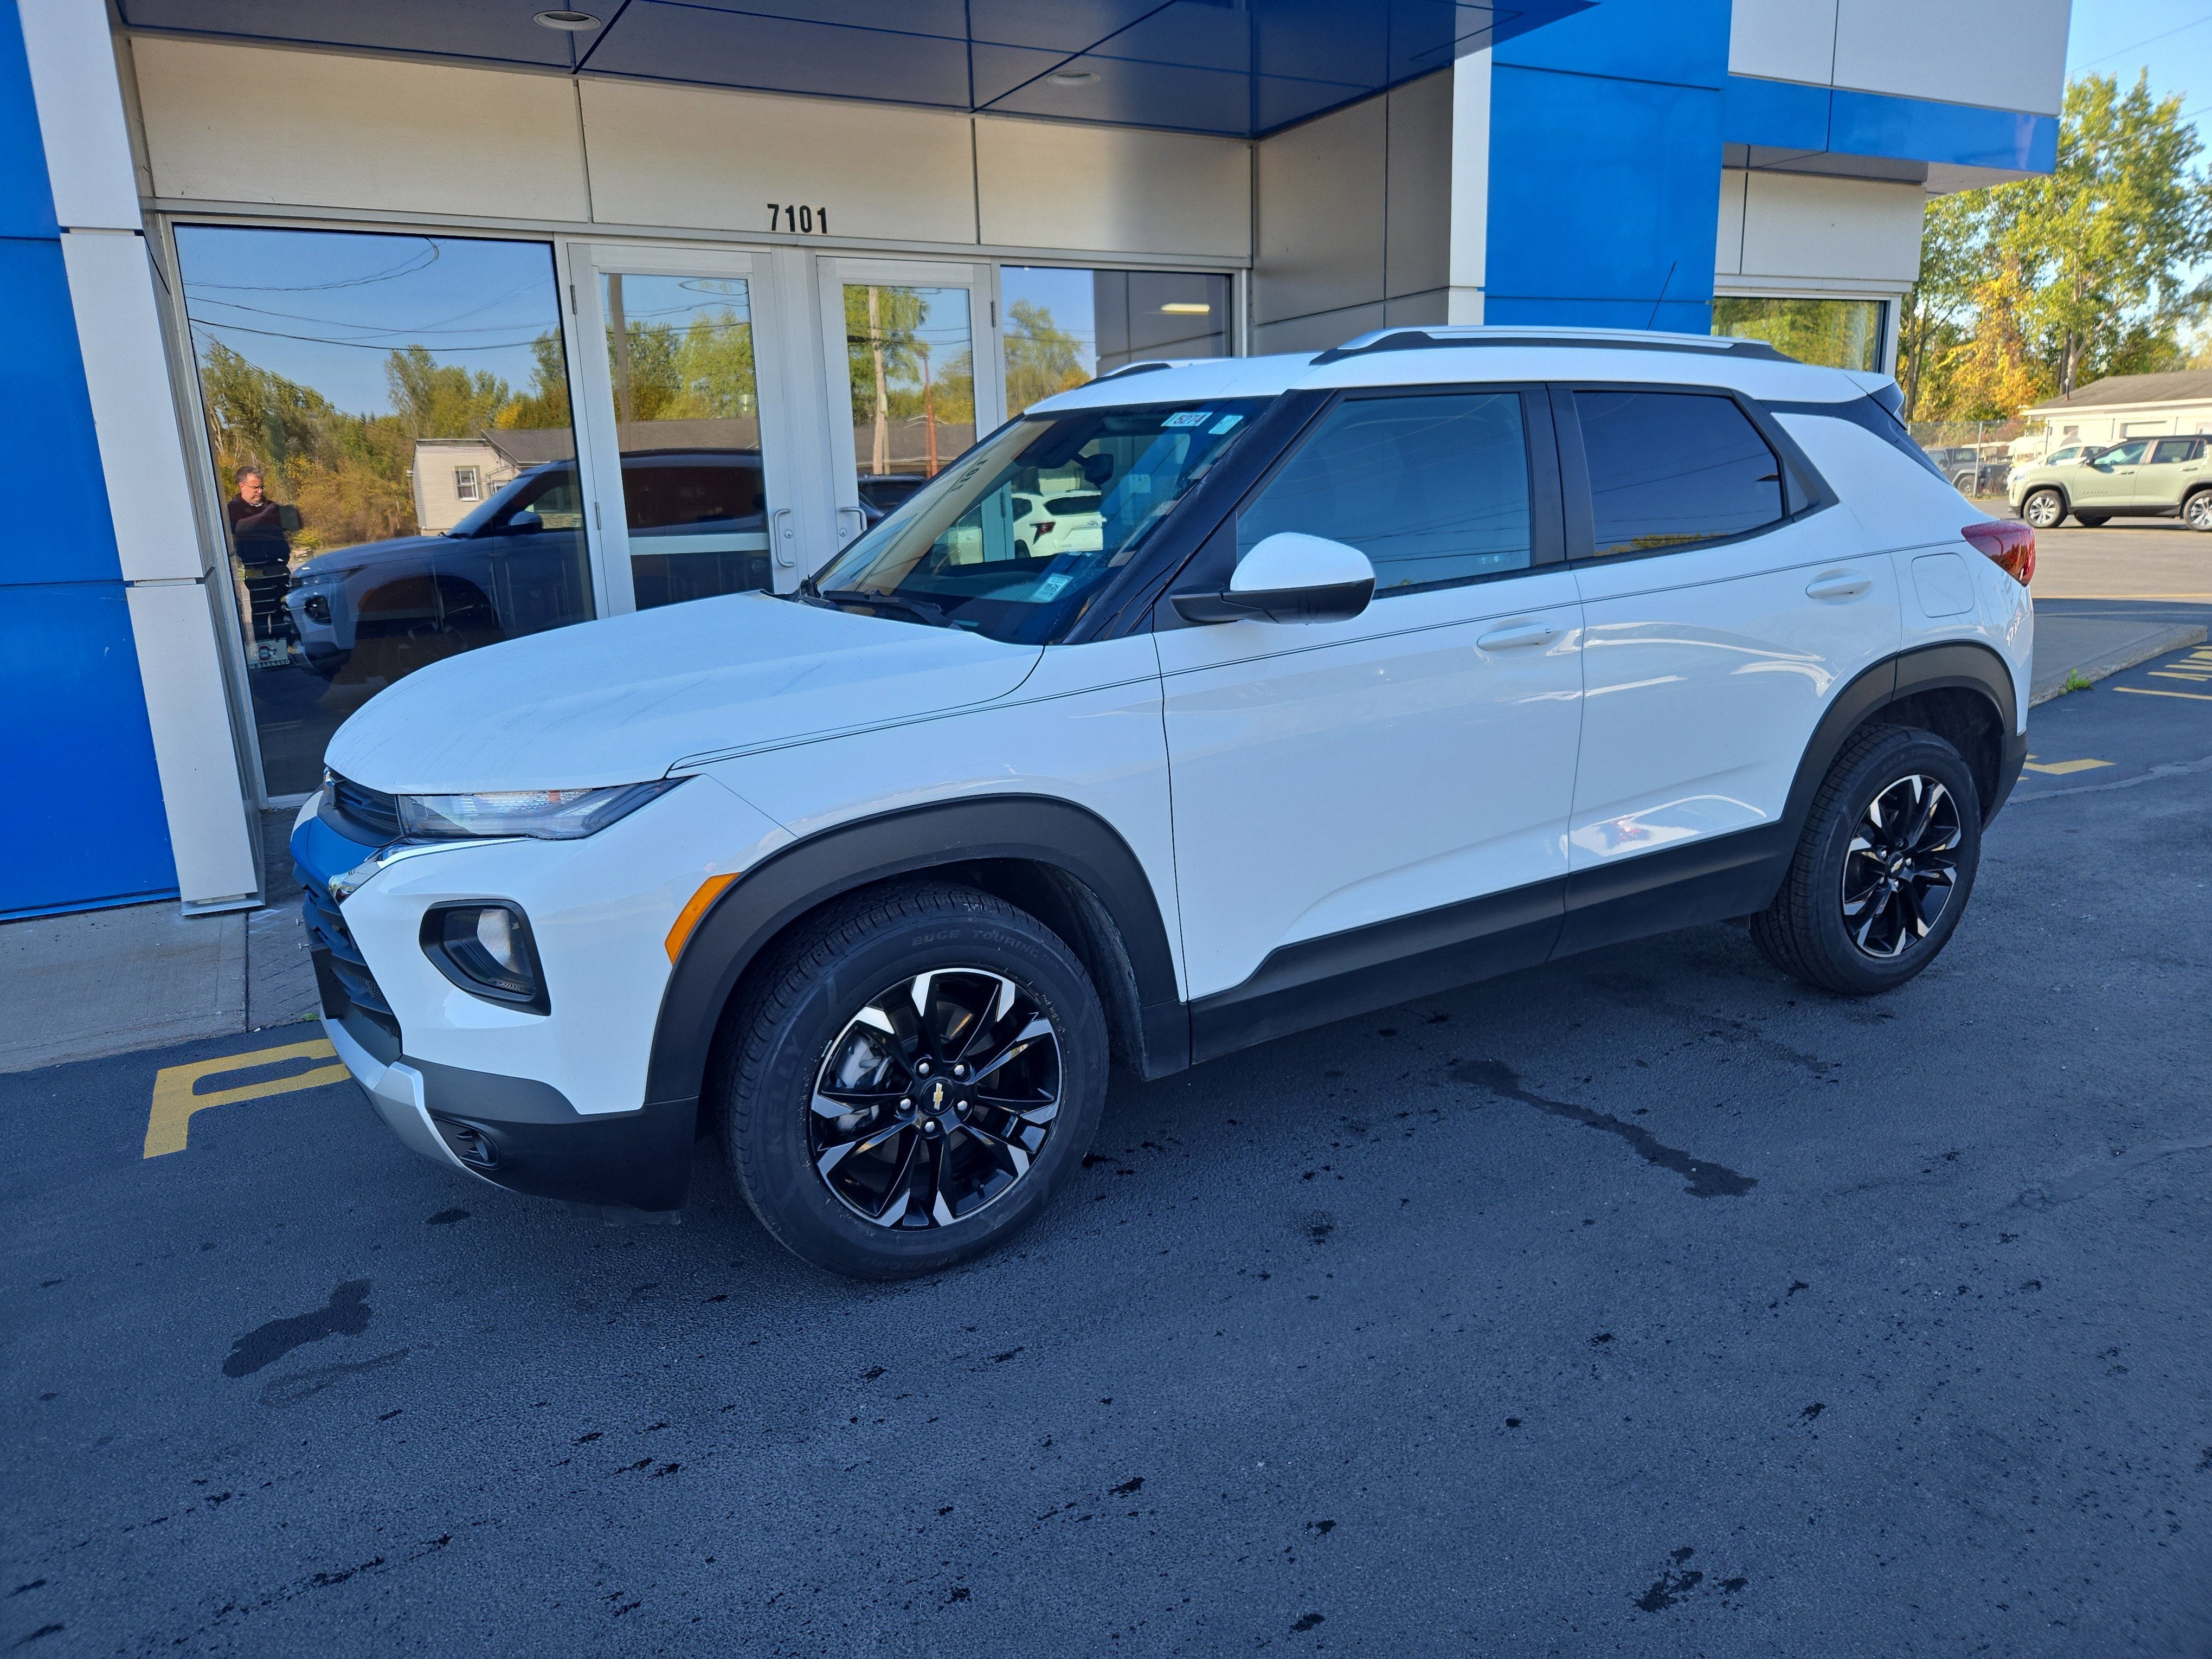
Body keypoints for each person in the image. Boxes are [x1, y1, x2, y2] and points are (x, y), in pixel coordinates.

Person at [226, 468, 293, 651]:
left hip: (279, 567)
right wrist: (265, 517)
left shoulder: (270, 506)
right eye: (256, 487)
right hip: (257, 570)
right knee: (262, 613)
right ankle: (266, 653)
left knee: (281, 611)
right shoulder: (233, 509)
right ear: (242, 486)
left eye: (262, 487)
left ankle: (284, 651)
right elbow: (240, 529)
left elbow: (292, 525)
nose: (260, 492)